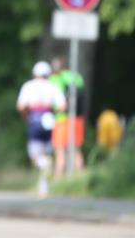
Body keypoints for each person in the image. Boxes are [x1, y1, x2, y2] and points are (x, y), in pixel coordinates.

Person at [16, 61, 66, 198]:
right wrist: (52, 112)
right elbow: (62, 106)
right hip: (49, 119)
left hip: (34, 118)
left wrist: (26, 116)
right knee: (46, 153)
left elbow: (20, 106)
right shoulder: (52, 86)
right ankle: (43, 189)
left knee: (35, 155)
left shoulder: (28, 86)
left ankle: (43, 165)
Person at [49, 56, 86, 178]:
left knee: (60, 150)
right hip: (77, 118)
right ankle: (79, 179)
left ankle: (58, 179)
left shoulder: (54, 79)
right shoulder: (76, 77)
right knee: (75, 150)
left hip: (61, 118)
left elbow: (56, 103)